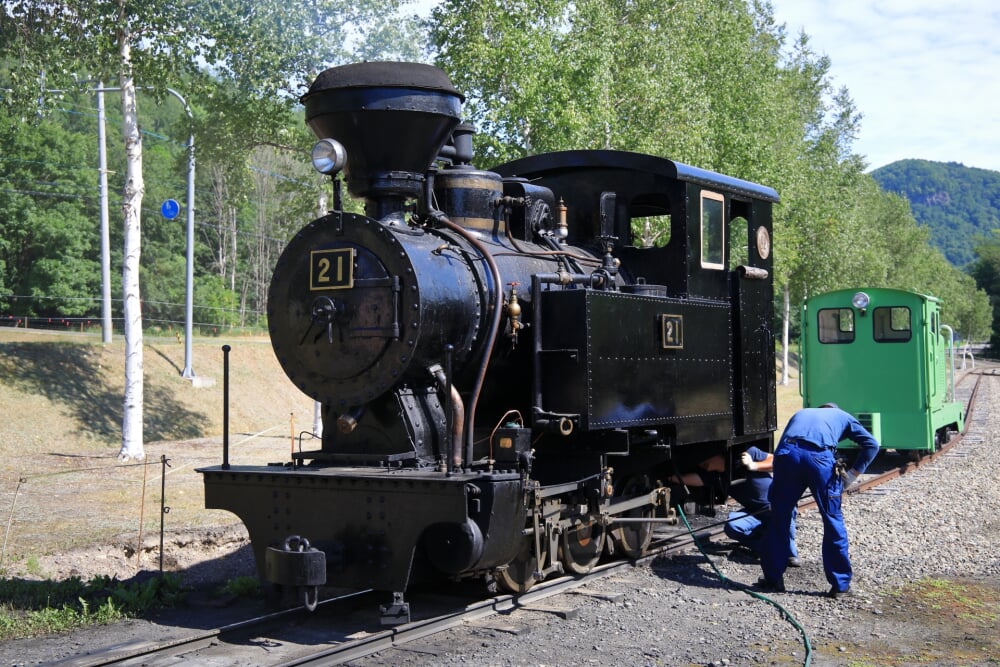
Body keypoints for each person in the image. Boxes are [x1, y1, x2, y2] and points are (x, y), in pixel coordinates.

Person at [758, 403, 880, 598]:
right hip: (820, 458)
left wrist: (779, 487)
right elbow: (872, 445)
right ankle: (840, 586)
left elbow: (781, 447)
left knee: (779, 517)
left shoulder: (801, 413)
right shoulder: (843, 416)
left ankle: (773, 579)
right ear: (834, 409)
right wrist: (851, 475)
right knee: (832, 520)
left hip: (787, 454)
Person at [725, 446, 799, 567]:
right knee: (732, 525)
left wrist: (754, 465)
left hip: (777, 506)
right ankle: (766, 547)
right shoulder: (715, 476)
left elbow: (777, 461)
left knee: (790, 556)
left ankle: (787, 552)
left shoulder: (749, 453)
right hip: (755, 513)